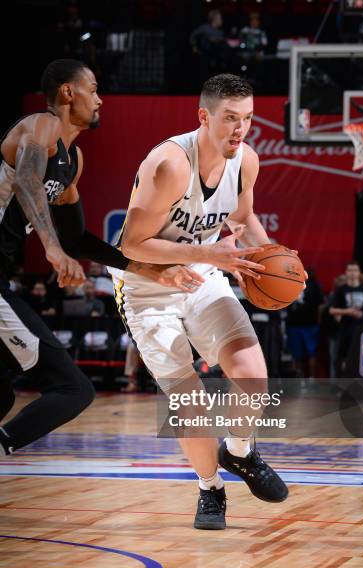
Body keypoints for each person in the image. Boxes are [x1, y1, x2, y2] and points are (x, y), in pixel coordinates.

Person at [109, 73, 289, 531]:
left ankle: (240, 452)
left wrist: (267, 263)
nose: (240, 129)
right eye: (230, 118)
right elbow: (132, 244)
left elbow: (243, 219)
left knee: (252, 373)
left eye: (247, 119)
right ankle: (210, 489)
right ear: (204, 116)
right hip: (145, 282)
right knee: (190, 402)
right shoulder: (170, 164)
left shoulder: (246, 160)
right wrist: (210, 252)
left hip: (205, 270)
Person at [0, 58, 204, 454]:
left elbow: (77, 239)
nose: (101, 100)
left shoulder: (72, 162)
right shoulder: (40, 127)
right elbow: (26, 179)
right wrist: (51, 248)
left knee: (4, 397)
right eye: (93, 89)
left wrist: (149, 270)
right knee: (72, 389)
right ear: (67, 91)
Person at [329, 262, 363, 376]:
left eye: (355, 270)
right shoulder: (341, 290)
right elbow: (332, 310)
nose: (352, 273)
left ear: (359, 273)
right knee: (341, 358)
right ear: (346, 273)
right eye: (350, 270)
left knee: (360, 358)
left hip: (361, 330)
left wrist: (362, 314)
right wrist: (348, 312)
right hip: (345, 330)